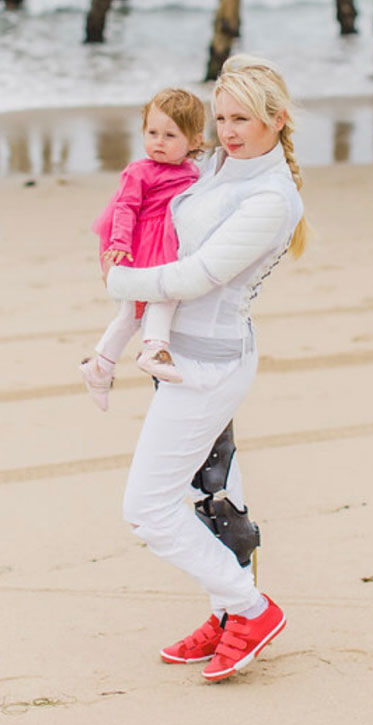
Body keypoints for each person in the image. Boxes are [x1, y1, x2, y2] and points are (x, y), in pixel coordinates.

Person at [102, 54, 307, 682]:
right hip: (183, 356)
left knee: (148, 509)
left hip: (209, 364)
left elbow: (197, 276)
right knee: (213, 497)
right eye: (220, 118)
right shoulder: (222, 164)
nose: (228, 130)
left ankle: (251, 609)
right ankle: (226, 614)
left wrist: (120, 279)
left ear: (277, 121)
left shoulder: (272, 198)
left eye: (242, 118)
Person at [80, 88, 205, 410]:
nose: (158, 142)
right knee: (163, 295)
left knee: (132, 314)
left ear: (193, 141)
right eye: (152, 133)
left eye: (169, 135)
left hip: (168, 243)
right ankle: (154, 349)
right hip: (141, 245)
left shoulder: (192, 172)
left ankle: (99, 367)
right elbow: (125, 207)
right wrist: (119, 243)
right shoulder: (140, 170)